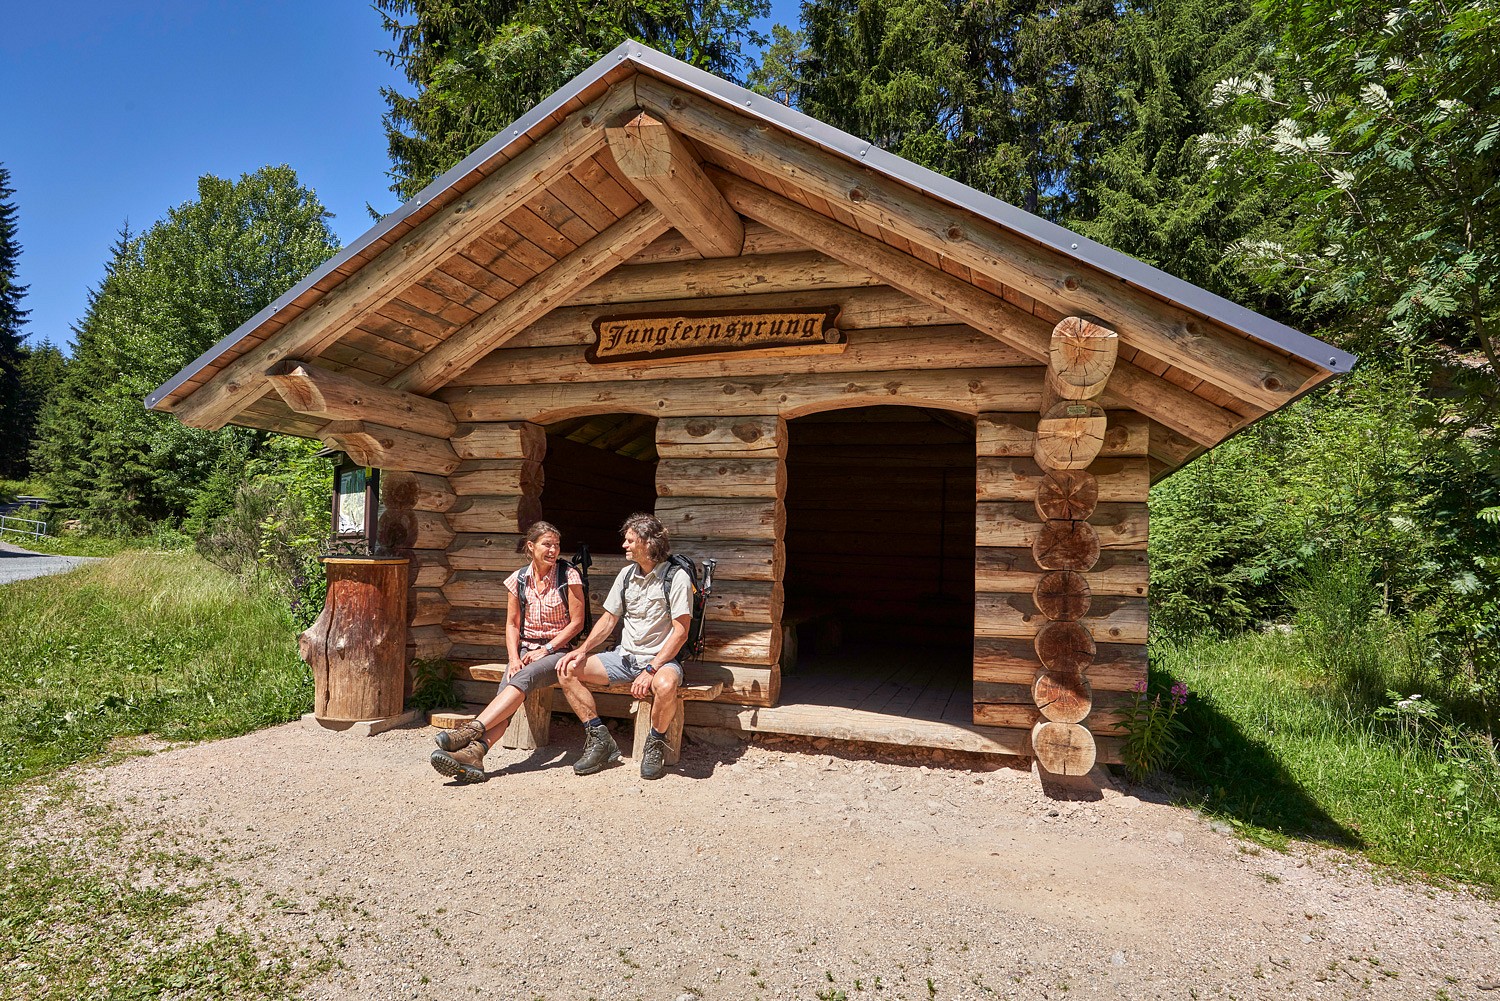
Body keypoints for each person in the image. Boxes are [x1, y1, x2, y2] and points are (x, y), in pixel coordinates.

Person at [430, 520, 586, 784]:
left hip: (559, 651)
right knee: (508, 692)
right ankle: (475, 754)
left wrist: (546, 649)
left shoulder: (568, 575)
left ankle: (469, 732)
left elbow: (577, 622)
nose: (553, 550)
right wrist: (514, 657)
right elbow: (512, 623)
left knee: (520, 680)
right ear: (531, 546)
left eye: (556, 545)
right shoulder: (519, 579)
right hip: (525, 650)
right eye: (546, 544)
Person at [555, 512, 691, 780]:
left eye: (630, 541)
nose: (624, 546)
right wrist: (582, 650)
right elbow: (608, 620)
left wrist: (651, 669)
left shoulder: (677, 578)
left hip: (661, 662)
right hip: (624, 658)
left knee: (665, 685)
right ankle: (599, 739)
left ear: (648, 543)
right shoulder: (626, 575)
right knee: (568, 669)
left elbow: (681, 632)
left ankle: (655, 743)